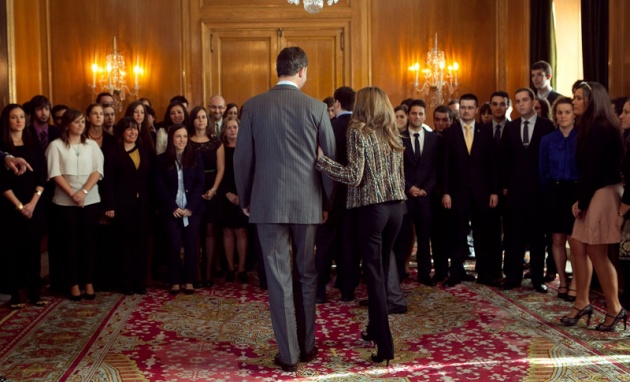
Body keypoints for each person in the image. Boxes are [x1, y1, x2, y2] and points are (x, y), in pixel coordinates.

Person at [234, 46, 335, 372]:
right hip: (307, 203)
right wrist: (327, 202)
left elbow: (243, 159)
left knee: (278, 279)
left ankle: (289, 355)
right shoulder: (317, 108)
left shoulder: (253, 106)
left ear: (278, 70)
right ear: (302, 71)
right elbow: (328, 160)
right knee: (307, 273)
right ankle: (307, 347)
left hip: (267, 203)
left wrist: (246, 198)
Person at [317, 86, 405, 365]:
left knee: (374, 275)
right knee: (379, 268)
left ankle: (386, 345)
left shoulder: (357, 130)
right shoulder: (391, 131)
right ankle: (374, 329)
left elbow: (353, 176)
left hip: (372, 209)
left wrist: (322, 163)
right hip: (396, 209)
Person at [562, 82, 626, 331]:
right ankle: (582, 302)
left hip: (602, 193)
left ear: (591, 102)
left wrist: (583, 202)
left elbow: (596, 172)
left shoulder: (599, 129)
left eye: (579, 98)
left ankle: (615, 308)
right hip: (595, 190)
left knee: (597, 252)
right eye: (574, 97)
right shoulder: (591, 127)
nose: (574, 101)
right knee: (577, 242)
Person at [442, 93, 501, 287]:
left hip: (482, 193)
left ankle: (484, 274)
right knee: (457, 233)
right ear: (459, 110)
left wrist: (494, 191)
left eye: (470, 107)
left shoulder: (485, 132)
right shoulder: (450, 133)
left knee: (482, 234)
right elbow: (445, 166)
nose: (466, 111)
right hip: (457, 193)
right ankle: (456, 273)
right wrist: (446, 192)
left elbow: (493, 164)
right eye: (463, 107)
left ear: (476, 110)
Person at [46, 108, 104, 301]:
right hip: (64, 202)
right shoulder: (56, 146)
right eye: (77, 122)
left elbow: (97, 171)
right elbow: (54, 173)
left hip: (90, 200)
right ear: (67, 124)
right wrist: (72, 194)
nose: (81, 125)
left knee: (89, 243)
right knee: (70, 244)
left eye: (82, 122)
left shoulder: (92, 146)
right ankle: (73, 283)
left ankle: (88, 281)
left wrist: (83, 192)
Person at [501, 88, 554, 293]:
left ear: (533, 102)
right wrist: (505, 186)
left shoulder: (546, 126)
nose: (521, 104)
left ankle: (537, 278)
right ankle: (512, 277)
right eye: (518, 101)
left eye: (525, 100)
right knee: (514, 236)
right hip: (515, 191)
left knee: (537, 237)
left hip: (539, 191)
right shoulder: (511, 127)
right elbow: (505, 160)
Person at [0, 104, 47, 309]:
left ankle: (34, 293)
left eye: (21, 117)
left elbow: (41, 175)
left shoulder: (33, 143)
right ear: (6, 120)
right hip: (9, 207)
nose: (19, 121)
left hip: (33, 205)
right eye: (13, 117)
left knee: (33, 250)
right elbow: (1, 182)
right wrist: (20, 206)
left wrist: (33, 203)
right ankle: (15, 295)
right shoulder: (2, 148)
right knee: (12, 251)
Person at [315, 86, 357, 303]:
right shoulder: (360, 128)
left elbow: (319, 163)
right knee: (349, 244)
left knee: (324, 245)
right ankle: (347, 290)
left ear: (337, 103)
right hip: (355, 197)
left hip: (330, 196)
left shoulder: (328, 127)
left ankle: (319, 291)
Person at [103, 117, 153, 295]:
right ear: (122, 131)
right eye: (129, 129)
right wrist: (110, 206)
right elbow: (108, 182)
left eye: (135, 129)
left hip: (143, 206)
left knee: (141, 244)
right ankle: (126, 283)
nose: (133, 132)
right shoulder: (112, 153)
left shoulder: (144, 150)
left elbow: (150, 179)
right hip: (122, 205)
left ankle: (140, 282)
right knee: (124, 245)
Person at [155, 124, 204, 295]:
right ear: (171, 139)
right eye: (178, 136)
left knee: (191, 245)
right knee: (173, 245)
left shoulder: (195, 156)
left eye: (184, 136)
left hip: (192, 209)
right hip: (172, 210)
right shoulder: (162, 160)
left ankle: (189, 280)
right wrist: (172, 207)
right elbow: (160, 186)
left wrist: (190, 207)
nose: (181, 140)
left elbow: (200, 183)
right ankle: (175, 280)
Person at [539, 97, 579, 300]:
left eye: (567, 112)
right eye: (560, 112)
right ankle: (563, 281)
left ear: (574, 115)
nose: (563, 116)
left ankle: (577, 285)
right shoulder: (548, 139)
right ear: (555, 115)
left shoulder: (582, 137)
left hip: (576, 192)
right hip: (554, 191)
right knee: (557, 238)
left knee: (575, 240)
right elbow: (542, 169)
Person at [395, 99, 439, 285]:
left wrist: (425, 189)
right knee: (402, 237)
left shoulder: (434, 139)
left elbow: (436, 168)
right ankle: (397, 273)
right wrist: (409, 187)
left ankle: (424, 274)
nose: (417, 117)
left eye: (420, 114)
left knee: (424, 237)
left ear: (424, 116)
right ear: (409, 115)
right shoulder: (398, 137)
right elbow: (396, 168)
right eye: (414, 113)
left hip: (425, 196)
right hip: (405, 196)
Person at [188, 106, 224, 287]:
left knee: (210, 231)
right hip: (193, 189)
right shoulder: (187, 141)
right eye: (197, 117)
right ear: (192, 120)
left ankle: (208, 272)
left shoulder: (216, 141)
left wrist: (214, 188)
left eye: (203, 117)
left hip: (212, 189)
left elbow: (221, 168)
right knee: (194, 232)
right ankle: (196, 272)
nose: (201, 120)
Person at [219, 117, 249, 283]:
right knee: (227, 231)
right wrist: (228, 194)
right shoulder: (221, 149)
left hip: (243, 195)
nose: (232, 130)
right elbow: (220, 173)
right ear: (224, 130)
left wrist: (242, 196)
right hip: (226, 194)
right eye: (229, 127)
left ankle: (242, 268)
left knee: (242, 232)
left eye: (235, 127)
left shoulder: (246, 148)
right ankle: (230, 268)